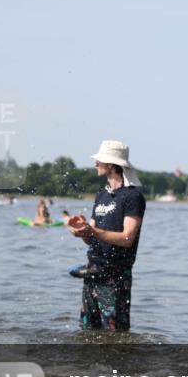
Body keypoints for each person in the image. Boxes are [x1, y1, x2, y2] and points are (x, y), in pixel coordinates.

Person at [66, 140, 146, 331]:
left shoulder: (132, 196)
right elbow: (91, 237)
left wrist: (93, 231)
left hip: (115, 277)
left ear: (111, 165)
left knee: (115, 334)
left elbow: (127, 238)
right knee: (87, 333)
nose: (96, 164)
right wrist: (81, 230)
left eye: (99, 161)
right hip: (92, 273)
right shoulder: (101, 194)